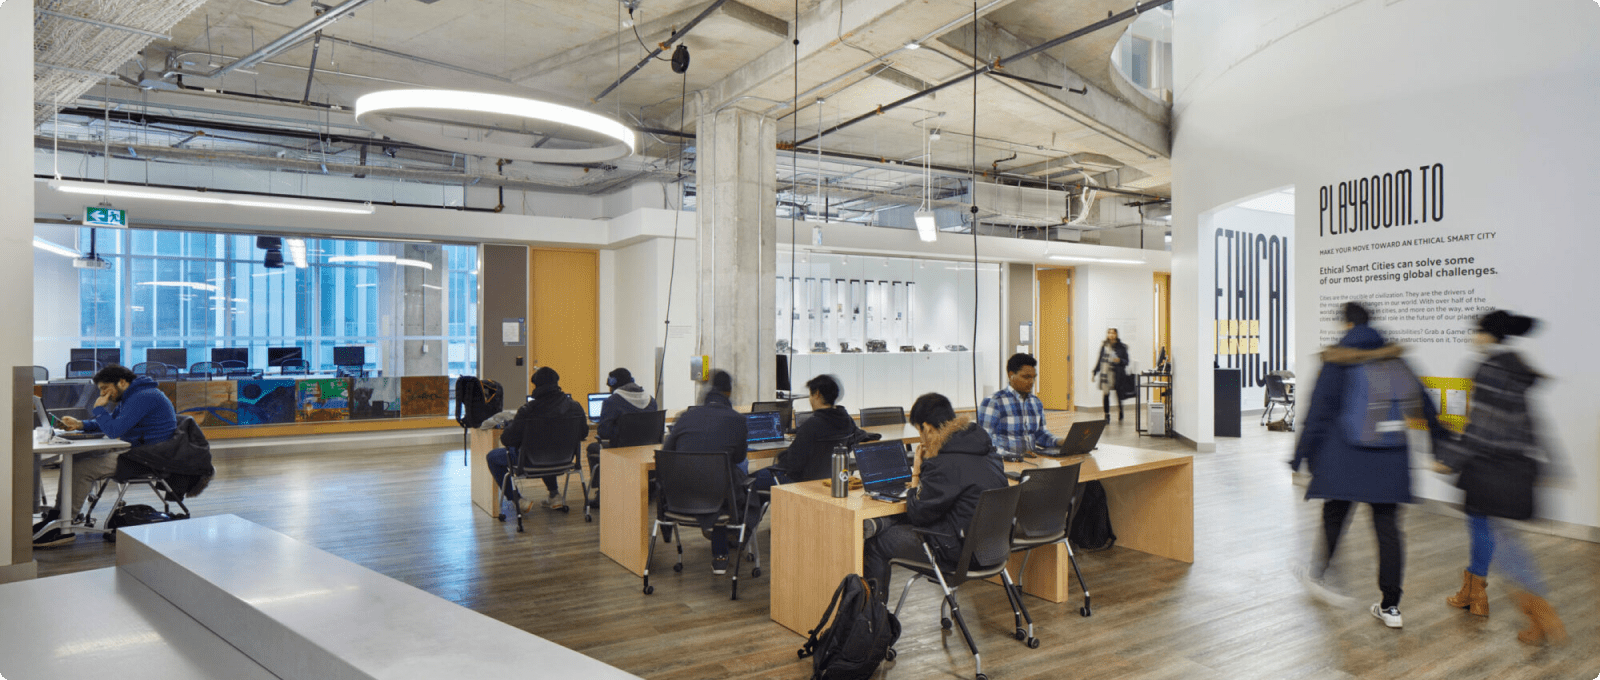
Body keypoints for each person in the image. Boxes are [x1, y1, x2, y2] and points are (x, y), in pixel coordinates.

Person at [1289, 301, 1447, 629]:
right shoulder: (1395, 357)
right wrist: (1438, 447)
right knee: (1388, 529)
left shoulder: (1338, 359)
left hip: (1346, 454)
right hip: (1390, 456)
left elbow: (1318, 411)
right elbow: (1425, 405)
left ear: (1346, 325)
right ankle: (1391, 607)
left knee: (1335, 514)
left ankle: (1318, 576)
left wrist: (1299, 455)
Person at [1435, 310, 1566, 645]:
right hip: (1515, 466)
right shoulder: (1516, 368)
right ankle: (1477, 594)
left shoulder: (1489, 369)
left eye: (1477, 331)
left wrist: (1449, 460)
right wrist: (1552, 463)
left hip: (1490, 468)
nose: (1473, 336)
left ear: (1488, 335)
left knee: (1501, 541)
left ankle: (1541, 611)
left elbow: (1481, 428)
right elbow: (1531, 422)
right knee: (1486, 528)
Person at [862, 392, 1007, 602]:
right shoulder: (986, 449)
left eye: (919, 431)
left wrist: (916, 474)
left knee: (876, 543)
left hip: (958, 554)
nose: (922, 439)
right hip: (994, 548)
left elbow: (917, 514)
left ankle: (872, 619)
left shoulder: (942, 461)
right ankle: (880, 523)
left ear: (927, 428)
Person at [38, 364, 177, 548]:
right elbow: (113, 421)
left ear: (121, 382)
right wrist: (81, 424)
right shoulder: (133, 395)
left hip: (147, 459)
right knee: (76, 458)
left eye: (105, 388)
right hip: (135, 452)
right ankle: (59, 515)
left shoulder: (143, 397)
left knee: (82, 468)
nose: (103, 393)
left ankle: (64, 528)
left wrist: (98, 409)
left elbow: (113, 430)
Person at [661, 370, 747, 574]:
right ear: (729, 393)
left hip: (679, 497)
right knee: (730, 478)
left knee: (713, 478)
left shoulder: (685, 417)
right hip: (717, 498)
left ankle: (719, 543)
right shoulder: (737, 420)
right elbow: (739, 457)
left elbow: (666, 454)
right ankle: (722, 552)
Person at [485, 366, 586, 513]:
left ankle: (517, 500)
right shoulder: (576, 407)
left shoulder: (528, 410)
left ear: (537, 386)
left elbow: (507, 440)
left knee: (492, 457)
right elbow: (583, 434)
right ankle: (554, 495)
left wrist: (511, 427)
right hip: (564, 460)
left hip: (530, 461)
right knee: (548, 446)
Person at [750, 374, 858, 492]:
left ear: (816, 394)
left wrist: (782, 456)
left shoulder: (812, 425)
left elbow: (793, 464)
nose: (810, 399)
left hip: (799, 481)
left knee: (750, 480)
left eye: (810, 395)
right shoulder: (847, 420)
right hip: (827, 478)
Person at [585, 367, 657, 507]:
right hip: (646, 451)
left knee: (593, 448)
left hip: (621, 450)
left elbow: (604, 431)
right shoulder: (651, 400)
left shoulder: (612, 401)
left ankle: (603, 494)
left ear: (612, 384)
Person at [977, 353, 1059, 457]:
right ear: (1011, 375)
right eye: (1026, 377)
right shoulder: (993, 402)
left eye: (1033, 377)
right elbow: (984, 442)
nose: (1031, 382)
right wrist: (1012, 456)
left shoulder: (1036, 402)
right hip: (1006, 463)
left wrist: (1060, 441)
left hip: (1033, 461)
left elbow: (1040, 435)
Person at [1092, 327, 1135, 423]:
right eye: (1109, 333)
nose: (1111, 335)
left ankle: (1121, 411)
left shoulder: (1122, 347)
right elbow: (1100, 360)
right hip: (1106, 374)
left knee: (1119, 394)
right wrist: (1095, 371)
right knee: (1106, 394)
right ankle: (1107, 415)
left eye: (1113, 333)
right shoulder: (1104, 346)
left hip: (1118, 374)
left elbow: (1126, 361)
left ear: (1116, 334)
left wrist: (1119, 360)